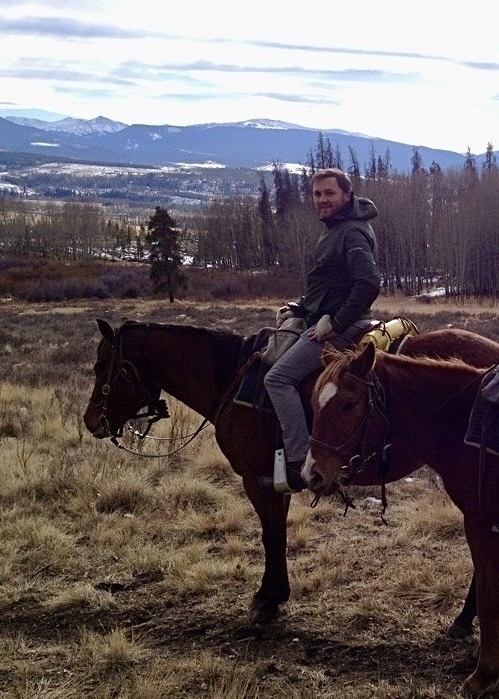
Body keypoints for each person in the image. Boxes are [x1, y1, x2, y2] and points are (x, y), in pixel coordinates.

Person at [264, 167, 381, 493]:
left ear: (346, 194)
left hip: (342, 327)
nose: (322, 200)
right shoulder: (335, 228)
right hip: (328, 319)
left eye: (329, 193)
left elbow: (368, 284)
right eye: (317, 194)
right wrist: (301, 308)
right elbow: (330, 283)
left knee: (277, 379)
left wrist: (335, 323)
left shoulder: (351, 232)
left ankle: (297, 461)